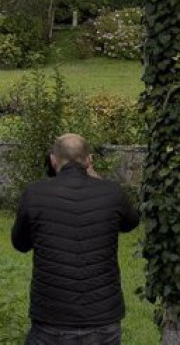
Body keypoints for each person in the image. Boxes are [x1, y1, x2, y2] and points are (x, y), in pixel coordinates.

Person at [12, 133, 140, 344]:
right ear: (89, 160)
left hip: (51, 317)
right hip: (102, 317)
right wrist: (97, 178)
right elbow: (131, 222)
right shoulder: (111, 192)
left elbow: (20, 243)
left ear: (53, 159)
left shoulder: (34, 193)